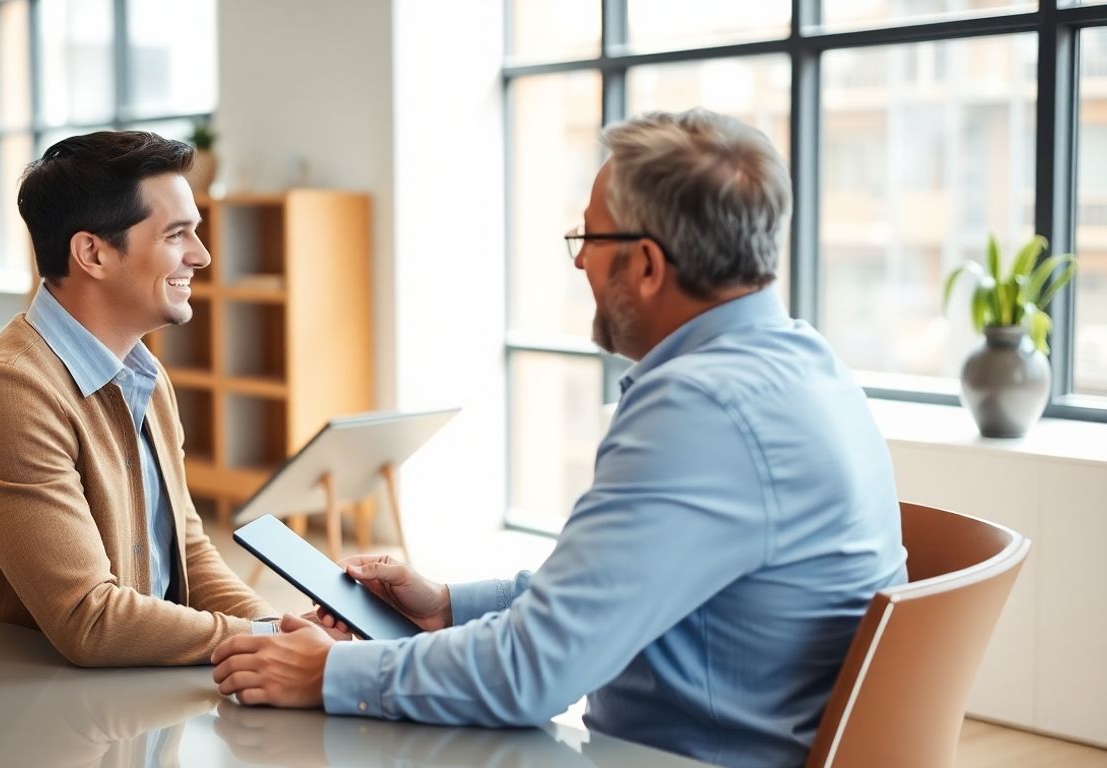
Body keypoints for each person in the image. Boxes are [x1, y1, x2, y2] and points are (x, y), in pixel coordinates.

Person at [210, 109, 908, 767]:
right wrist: (448, 605)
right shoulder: (806, 364)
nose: (578, 265)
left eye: (589, 240)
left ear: (646, 265)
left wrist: (331, 672)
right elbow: (613, 587)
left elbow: (532, 674)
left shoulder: (700, 407)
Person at [0, 131, 282, 666]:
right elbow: (89, 619)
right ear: (92, 253)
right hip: (25, 726)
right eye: (176, 235)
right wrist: (264, 639)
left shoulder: (145, 376)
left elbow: (186, 549)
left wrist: (277, 627)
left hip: (126, 702)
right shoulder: (7, 394)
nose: (201, 256)